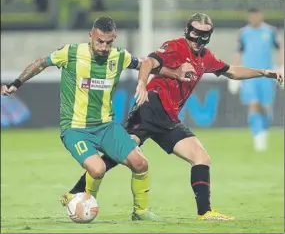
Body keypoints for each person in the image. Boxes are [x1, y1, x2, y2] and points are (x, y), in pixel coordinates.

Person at [61, 13, 283, 221]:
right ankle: (75, 193)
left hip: (169, 118)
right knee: (119, 155)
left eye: (204, 34)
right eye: (195, 33)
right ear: (188, 31)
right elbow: (148, 61)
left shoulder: (205, 57)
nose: (199, 38)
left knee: (201, 158)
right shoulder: (175, 47)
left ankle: (204, 213)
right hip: (150, 109)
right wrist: (142, 83)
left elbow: (232, 71)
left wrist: (264, 72)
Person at [0, 16, 193, 221]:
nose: (103, 47)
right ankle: (86, 202)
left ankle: (140, 212)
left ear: (114, 39)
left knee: (141, 164)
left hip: (106, 127)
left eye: (108, 42)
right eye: (99, 41)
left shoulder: (119, 56)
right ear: (90, 36)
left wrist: (175, 73)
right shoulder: (71, 52)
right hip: (75, 128)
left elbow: (147, 64)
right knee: (98, 168)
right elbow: (40, 63)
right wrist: (17, 83)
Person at [229, 8, 283, 152]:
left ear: (260, 16)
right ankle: (257, 137)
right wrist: (234, 74)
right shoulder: (244, 33)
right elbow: (238, 52)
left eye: (256, 16)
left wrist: (281, 67)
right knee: (253, 105)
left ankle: (264, 131)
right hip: (249, 75)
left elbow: (279, 49)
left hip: (267, 75)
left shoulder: (270, 31)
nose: (254, 18)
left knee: (266, 107)